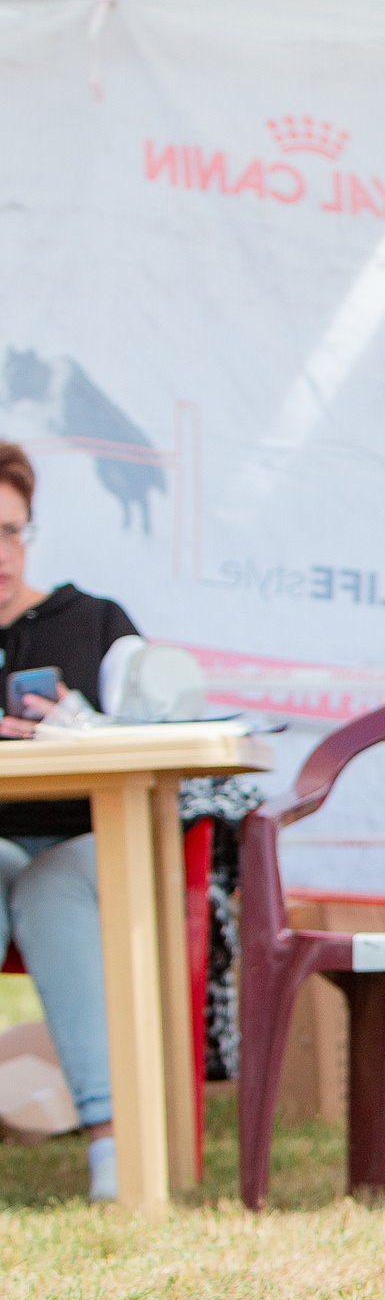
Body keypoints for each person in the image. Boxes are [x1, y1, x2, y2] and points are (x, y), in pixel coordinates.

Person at [0, 440, 143, 1201]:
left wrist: (79, 724)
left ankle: (112, 1146)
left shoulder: (91, 622)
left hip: (92, 844)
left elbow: (164, 724)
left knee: (52, 883)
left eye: (9, 530)